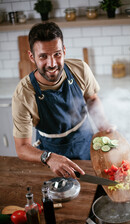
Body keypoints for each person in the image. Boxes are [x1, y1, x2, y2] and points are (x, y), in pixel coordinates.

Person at [12, 22, 114, 179]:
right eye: (43, 56)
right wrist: (49, 158)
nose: (52, 64)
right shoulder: (23, 94)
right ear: (32, 57)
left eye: (57, 54)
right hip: (52, 155)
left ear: (64, 51)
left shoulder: (80, 69)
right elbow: (22, 148)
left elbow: (92, 99)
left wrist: (103, 123)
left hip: (86, 144)